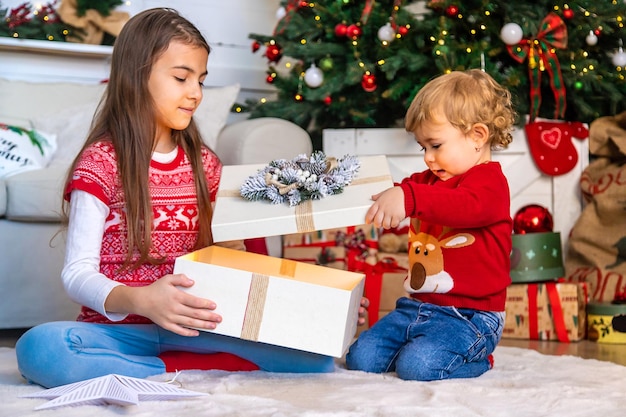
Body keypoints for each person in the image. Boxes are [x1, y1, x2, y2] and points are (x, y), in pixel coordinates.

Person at [15, 8, 344, 389]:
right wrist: (141, 300)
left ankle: (169, 369)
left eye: (201, 80)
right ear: (137, 77)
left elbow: (252, 260)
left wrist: (312, 305)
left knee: (317, 360)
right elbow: (77, 274)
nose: (195, 93)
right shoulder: (100, 164)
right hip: (119, 331)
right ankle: (177, 372)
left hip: (195, 329)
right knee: (42, 348)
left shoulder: (206, 164)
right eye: (181, 78)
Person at [346, 69, 516, 381]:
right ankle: (422, 346)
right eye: (423, 147)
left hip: (472, 316)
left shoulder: (490, 184)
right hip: (416, 308)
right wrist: (383, 198)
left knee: (419, 367)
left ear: (477, 136)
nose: (427, 158)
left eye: (435, 145)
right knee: (360, 359)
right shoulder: (425, 182)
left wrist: (408, 197)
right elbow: (402, 197)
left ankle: (479, 360)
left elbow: (462, 207)